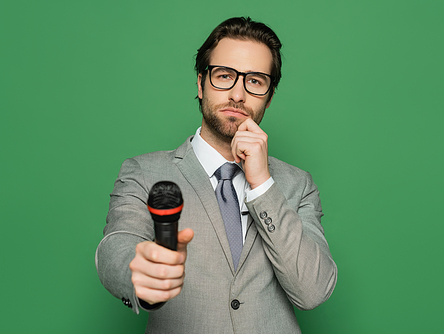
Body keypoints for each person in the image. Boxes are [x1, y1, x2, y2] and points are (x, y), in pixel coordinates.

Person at [96, 17, 337, 333]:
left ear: (270, 95)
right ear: (200, 83)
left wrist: (262, 184)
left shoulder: (297, 184)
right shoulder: (144, 172)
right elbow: (118, 243)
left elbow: (314, 290)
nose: (238, 94)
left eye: (255, 81)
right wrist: (138, 269)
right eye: (224, 76)